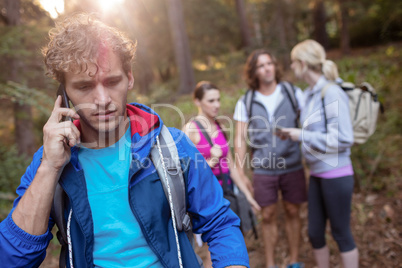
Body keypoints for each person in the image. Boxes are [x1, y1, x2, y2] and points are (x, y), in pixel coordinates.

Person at [0, 14, 249, 268]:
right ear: (63, 94)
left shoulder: (172, 147)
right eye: (84, 86)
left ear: (129, 77)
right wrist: (49, 168)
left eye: (112, 82)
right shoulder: (48, 162)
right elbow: (12, 260)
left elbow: (220, 225)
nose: (102, 99)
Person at [279, 39, 359, 268]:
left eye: (293, 62)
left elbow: (344, 138)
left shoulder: (331, 92)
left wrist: (301, 135)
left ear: (303, 63)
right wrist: (294, 133)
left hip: (337, 174)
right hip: (316, 174)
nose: (291, 67)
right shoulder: (311, 94)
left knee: (341, 233)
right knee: (314, 233)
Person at [233, 50, 307, 268]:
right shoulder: (246, 101)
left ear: (275, 66)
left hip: (292, 164)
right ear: (254, 72)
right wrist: (241, 171)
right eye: (260, 66)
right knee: (267, 215)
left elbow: (310, 129)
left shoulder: (292, 93)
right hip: (263, 169)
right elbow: (240, 138)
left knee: (293, 211)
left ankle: (294, 261)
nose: (266, 68)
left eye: (269, 63)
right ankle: (271, 264)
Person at [183, 81, 260, 212]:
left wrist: (247, 196)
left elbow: (231, 165)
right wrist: (212, 160)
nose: (217, 105)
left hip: (228, 194)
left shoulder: (220, 127)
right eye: (211, 101)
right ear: (197, 102)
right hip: (206, 200)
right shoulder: (191, 129)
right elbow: (186, 172)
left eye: (218, 100)